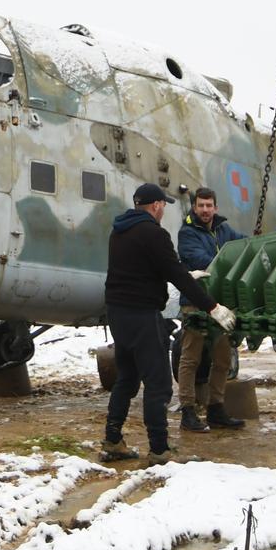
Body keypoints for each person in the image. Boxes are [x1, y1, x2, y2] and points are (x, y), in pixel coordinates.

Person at [102, 182, 235, 464]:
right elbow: (174, 272)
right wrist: (211, 306)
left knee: (127, 378)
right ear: (156, 205)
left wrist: (189, 276)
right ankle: (160, 450)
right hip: (141, 315)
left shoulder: (119, 231)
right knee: (159, 384)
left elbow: (145, 270)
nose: (163, 210)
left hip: (118, 313)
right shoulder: (153, 233)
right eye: (163, 205)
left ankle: (113, 441)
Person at [175, 188, 246, 433]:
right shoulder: (187, 233)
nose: (205, 210)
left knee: (223, 358)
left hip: (220, 303)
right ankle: (187, 410)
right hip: (195, 301)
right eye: (201, 205)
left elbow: (243, 245)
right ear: (194, 207)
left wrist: (264, 238)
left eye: (209, 205)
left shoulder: (224, 230)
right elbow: (201, 261)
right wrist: (230, 262)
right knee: (190, 357)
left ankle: (216, 408)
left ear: (215, 207)